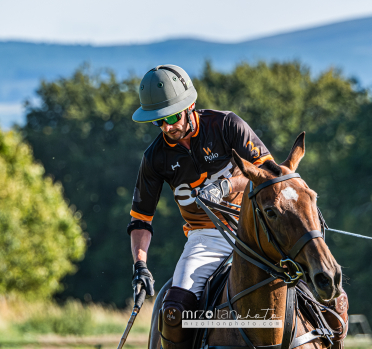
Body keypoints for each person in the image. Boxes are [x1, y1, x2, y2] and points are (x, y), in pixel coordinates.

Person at [126, 64, 349, 349]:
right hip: (204, 238)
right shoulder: (155, 158)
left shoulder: (226, 125)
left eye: (172, 116)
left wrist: (228, 186)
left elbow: (271, 178)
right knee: (174, 313)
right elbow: (140, 220)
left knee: (334, 300)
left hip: (257, 228)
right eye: (159, 121)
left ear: (190, 106)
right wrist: (140, 265)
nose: (168, 127)